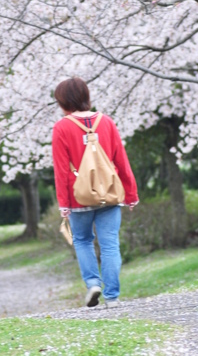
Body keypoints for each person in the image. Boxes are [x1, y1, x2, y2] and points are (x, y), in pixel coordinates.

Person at [52, 76, 138, 308]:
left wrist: (64, 202)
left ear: (63, 101)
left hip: (79, 196)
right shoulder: (107, 122)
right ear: (85, 97)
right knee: (110, 244)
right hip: (109, 192)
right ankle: (112, 297)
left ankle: (93, 283)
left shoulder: (62, 127)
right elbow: (121, 160)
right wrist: (130, 193)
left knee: (82, 240)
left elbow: (60, 169)